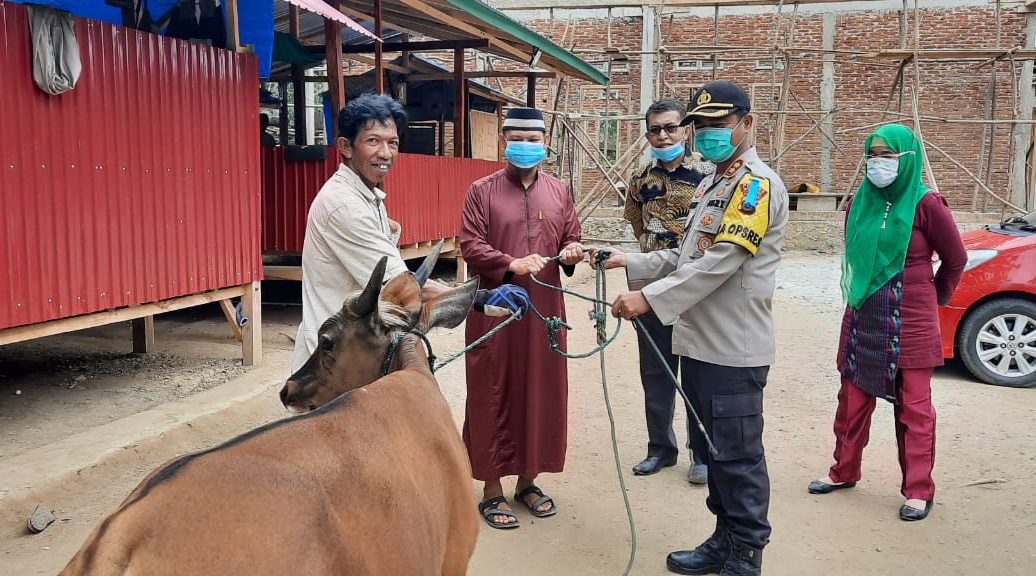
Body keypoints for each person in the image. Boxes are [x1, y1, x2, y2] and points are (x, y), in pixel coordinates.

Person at [596, 80, 787, 576]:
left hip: (733, 346)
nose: (706, 135)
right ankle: (723, 539)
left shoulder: (753, 185)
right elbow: (684, 257)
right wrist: (630, 262)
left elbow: (721, 262)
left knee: (738, 455)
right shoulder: (712, 184)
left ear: (747, 123)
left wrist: (648, 299)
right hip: (701, 341)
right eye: (699, 126)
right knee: (718, 452)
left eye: (717, 125)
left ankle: (746, 553)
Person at [290, 93, 527, 371]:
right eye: (373, 141)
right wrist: (478, 297)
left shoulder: (366, 195)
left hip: (356, 351)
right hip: (330, 364)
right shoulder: (343, 204)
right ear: (346, 147)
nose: (385, 153)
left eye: (393, 143)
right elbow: (402, 289)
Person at [807, 124, 966, 522]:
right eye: (873, 155)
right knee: (852, 401)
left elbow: (956, 258)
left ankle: (917, 490)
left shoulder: (927, 203)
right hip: (863, 316)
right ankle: (843, 471)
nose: (878, 162)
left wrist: (935, 296)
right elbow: (855, 255)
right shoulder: (859, 201)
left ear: (907, 158)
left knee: (914, 408)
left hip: (910, 318)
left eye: (888, 155)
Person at [459, 107, 585, 530]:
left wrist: (572, 251)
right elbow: (470, 246)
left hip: (545, 313)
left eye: (534, 139)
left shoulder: (560, 191)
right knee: (492, 391)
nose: (527, 146)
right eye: (518, 138)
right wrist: (511, 263)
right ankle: (492, 489)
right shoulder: (481, 190)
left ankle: (527, 482)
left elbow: (571, 236)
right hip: (495, 308)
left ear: (545, 142)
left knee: (540, 391)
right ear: (503, 142)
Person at [623, 98, 714, 484]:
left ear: (685, 129)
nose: (663, 135)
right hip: (651, 289)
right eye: (655, 129)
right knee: (656, 372)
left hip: (695, 289)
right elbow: (638, 227)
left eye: (670, 127)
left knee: (696, 373)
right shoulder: (641, 178)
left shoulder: (710, 175)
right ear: (647, 134)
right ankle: (660, 448)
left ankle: (702, 453)